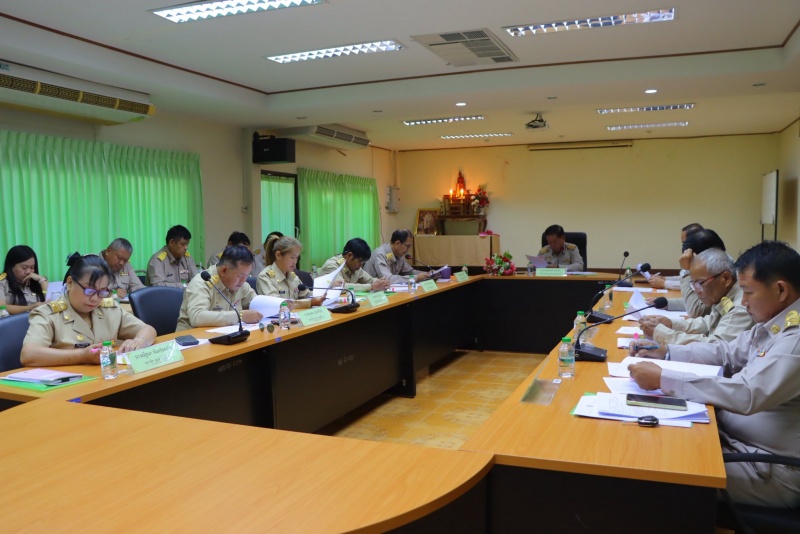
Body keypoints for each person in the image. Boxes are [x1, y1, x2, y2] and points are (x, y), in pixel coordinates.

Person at [628, 241, 800, 508]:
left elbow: (747, 394)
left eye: (748, 292)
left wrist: (664, 379)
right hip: (737, 444)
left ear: (780, 290)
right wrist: (667, 351)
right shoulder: (772, 322)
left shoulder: (794, 340)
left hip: (767, 468)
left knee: (656, 471)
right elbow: (726, 352)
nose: (743, 302)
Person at [21, 253, 156, 367]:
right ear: (70, 283)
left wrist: (139, 341)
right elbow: (28, 355)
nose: (95, 299)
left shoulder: (109, 309)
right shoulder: (48, 314)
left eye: (102, 292)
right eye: (89, 291)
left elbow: (149, 330)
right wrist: (81, 356)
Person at [639, 248, 753, 344]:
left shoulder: (741, 306)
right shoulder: (725, 293)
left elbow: (716, 348)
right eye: (693, 284)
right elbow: (707, 323)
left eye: (700, 283)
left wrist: (662, 334)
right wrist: (671, 324)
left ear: (726, 278)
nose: (696, 291)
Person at [176, 245, 263, 331]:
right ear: (224, 270)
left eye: (246, 275)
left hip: (225, 334)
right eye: (240, 276)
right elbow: (197, 317)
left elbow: (258, 303)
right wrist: (239, 316)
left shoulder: (241, 284)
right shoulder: (202, 283)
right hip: (193, 337)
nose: (243, 280)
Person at [662, 228, 726, 317]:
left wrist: (688, 271)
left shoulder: (721, 275)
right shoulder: (720, 267)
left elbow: (696, 311)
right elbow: (703, 303)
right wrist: (667, 303)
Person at [257, 235, 325, 309]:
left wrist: (323, 295)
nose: (295, 262)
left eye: (297, 258)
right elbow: (278, 304)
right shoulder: (265, 277)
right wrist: (309, 302)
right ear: (278, 255)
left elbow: (307, 295)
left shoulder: (293, 276)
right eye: (292, 257)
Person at [319, 238, 390, 292]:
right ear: (349, 255)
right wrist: (371, 287)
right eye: (360, 261)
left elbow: (370, 280)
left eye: (363, 262)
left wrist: (382, 283)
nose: (361, 265)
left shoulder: (355, 268)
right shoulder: (332, 265)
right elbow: (340, 287)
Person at [363, 229, 432, 284]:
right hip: (371, 292)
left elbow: (410, 272)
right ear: (397, 243)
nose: (408, 250)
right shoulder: (380, 254)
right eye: (407, 246)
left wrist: (428, 274)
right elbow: (388, 279)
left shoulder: (399, 255)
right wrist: (416, 278)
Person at [648, 223, 704, 290]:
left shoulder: (706, 260)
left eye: (685, 243)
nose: (684, 246)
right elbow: (684, 278)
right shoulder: (695, 257)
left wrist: (664, 283)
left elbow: (694, 286)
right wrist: (664, 278)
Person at [0, 245, 49, 315]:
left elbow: (52, 301)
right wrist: (30, 308)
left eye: (32, 267)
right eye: (24, 268)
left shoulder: (36, 281)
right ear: (11, 266)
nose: (29, 272)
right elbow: (2, 307)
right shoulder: (2, 282)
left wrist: (41, 280)